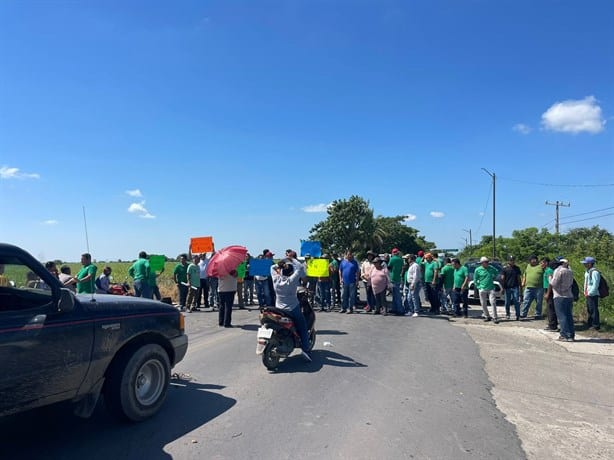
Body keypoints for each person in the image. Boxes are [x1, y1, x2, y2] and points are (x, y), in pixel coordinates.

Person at [270, 257, 312, 361]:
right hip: (292, 309)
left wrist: (281, 262)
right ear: (291, 273)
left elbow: (272, 267)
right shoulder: (292, 280)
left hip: (279, 309)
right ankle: (306, 349)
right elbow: (300, 267)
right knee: (303, 326)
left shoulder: (276, 279)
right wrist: (291, 258)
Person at [549, 258, 575, 341]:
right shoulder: (570, 271)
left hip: (559, 296)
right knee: (569, 316)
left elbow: (554, 283)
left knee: (562, 316)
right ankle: (571, 335)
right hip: (569, 296)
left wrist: (550, 278)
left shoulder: (558, 270)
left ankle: (564, 335)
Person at [474, 256, 499, 323]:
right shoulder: (477, 270)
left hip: (491, 288)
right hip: (482, 288)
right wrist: (478, 286)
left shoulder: (491, 268)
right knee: (483, 304)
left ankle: (495, 317)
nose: (487, 263)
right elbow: (475, 279)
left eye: (487, 262)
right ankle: (487, 316)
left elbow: (496, 272)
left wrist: (494, 277)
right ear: (482, 263)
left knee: (493, 303)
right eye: (485, 262)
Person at [520, 255, 544, 319]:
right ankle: (523, 314)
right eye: (532, 259)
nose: (534, 260)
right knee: (526, 301)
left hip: (539, 288)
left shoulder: (540, 266)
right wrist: (523, 282)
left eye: (535, 259)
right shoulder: (528, 266)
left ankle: (538, 314)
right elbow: (525, 274)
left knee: (539, 302)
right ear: (529, 261)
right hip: (528, 287)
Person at [581, 256, 601, 331]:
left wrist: (591, 292)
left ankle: (595, 325)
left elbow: (596, 284)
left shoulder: (594, 272)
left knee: (594, 310)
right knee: (590, 309)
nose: (584, 264)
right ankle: (590, 323)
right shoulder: (588, 271)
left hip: (593, 294)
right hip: (588, 293)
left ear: (590, 264)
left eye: (585, 263)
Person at [501, 255, 522, 320]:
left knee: (516, 301)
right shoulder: (505, 269)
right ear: (508, 261)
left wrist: (520, 286)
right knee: (507, 302)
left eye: (513, 260)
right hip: (507, 287)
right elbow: (502, 279)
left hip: (515, 287)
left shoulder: (517, 268)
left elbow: (519, 278)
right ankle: (507, 314)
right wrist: (502, 288)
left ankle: (518, 315)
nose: (512, 261)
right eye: (511, 260)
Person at [542, 258, 559, 331]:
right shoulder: (546, 270)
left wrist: (548, 293)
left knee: (551, 308)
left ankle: (553, 325)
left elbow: (550, 282)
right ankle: (551, 324)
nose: (541, 265)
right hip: (546, 289)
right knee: (549, 308)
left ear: (546, 263)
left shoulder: (549, 270)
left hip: (550, 290)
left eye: (542, 263)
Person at [387, 248, 404, 315]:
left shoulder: (392, 259)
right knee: (395, 295)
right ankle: (394, 308)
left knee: (396, 295)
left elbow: (389, 267)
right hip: (398, 278)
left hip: (393, 277)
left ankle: (400, 309)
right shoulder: (401, 259)